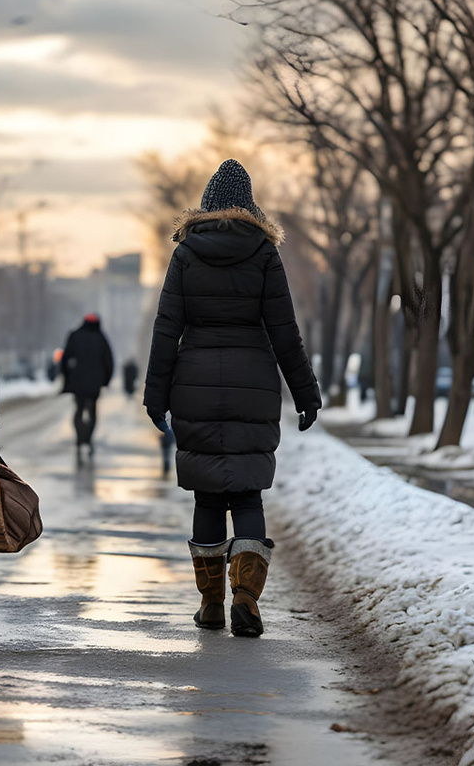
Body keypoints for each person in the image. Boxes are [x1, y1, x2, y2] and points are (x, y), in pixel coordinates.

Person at [144, 159, 321, 638]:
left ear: (206, 205)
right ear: (248, 205)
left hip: (194, 381)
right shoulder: (264, 252)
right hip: (254, 384)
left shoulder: (185, 254)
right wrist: (306, 393)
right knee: (246, 492)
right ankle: (247, 598)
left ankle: (211, 606)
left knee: (207, 496)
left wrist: (154, 396)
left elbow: (167, 330)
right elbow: (285, 332)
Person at [60, 313, 114, 461]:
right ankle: (88, 438)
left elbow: (65, 359)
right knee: (92, 412)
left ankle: (80, 437)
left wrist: (66, 377)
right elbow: (109, 361)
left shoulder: (74, 335)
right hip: (94, 384)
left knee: (78, 410)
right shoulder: (101, 338)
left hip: (77, 382)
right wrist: (106, 381)